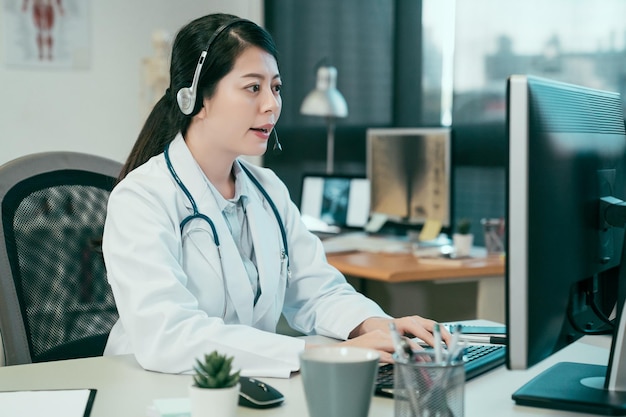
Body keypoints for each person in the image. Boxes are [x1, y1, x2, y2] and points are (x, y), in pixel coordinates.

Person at [102, 13, 450, 376]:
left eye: (276, 87)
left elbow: (317, 290)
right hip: (149, 388)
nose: (271, 104)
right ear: (196, 98)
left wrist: (375, 325)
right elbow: (168, 337)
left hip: (243, 387)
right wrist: (316, 353)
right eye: (253, 87)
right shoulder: (141, 198)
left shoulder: (267, 190)